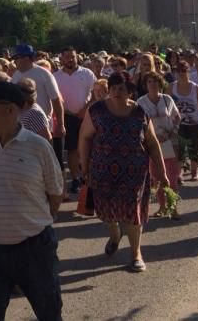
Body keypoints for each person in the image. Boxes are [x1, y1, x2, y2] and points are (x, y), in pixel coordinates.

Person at [0, 81, 64, 319]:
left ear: (11, 110)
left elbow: (55, 193)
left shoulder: (38, 147)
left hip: (34, 249)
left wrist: (33, 222)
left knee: (49, 312)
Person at [79, 71, 169, 272]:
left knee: (133, 213)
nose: (117, 92)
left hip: (134, 173)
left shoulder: (139, 112)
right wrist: (84, 167)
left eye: (122, 88)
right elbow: (85, 138)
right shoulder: (97, 110)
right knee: (107, 210)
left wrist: (162, 173)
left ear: (130, 92)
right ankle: (114, 234)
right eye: (113, 88)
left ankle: (136, 253)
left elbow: (153, 144)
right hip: (102, 170)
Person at [136, 71, 182, 216]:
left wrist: (172, 131)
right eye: (150, 82)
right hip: (152, 144)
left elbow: (177, 117)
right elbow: (138, 123)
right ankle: (162, 207)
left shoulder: (167, 99)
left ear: (160, 84)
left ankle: (173, 207)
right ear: (145, 85)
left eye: (155, 81)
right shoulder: (141, 102)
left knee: (172, 177)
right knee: (157, 177)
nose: (153, 84)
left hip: (170, 142)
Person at [11, 45, 65, 165]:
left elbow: (56, 100)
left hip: (42, 125)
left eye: (17, 58)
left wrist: (60, 125)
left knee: (51, 161)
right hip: (23, 126)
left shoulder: (43, 74)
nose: (14, 61)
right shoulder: (15, 76)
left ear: (26, 58)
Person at [53, 48, 95, 195]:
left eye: (72, 56)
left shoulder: (87, 73)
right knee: (71, 150)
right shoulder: (55, 76)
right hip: (67, 117)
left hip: (86, 117)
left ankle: (87, 177)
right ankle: (76, 178)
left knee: (87, 148)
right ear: (62, 59)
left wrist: (85, 109)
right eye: (66, 57)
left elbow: (95, 94)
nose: (70, 59)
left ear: (77, 57)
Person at [170, 62, 198, 181]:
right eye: (179, 71)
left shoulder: (195, 87)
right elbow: (166, 104)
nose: (181, 73)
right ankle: (179, 173)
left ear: (189, 71)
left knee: (194, 148)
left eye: (184, 70)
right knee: (179, 149)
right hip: (178, 124)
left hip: (195, 123)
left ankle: (194, 172)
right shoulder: (171, 87)